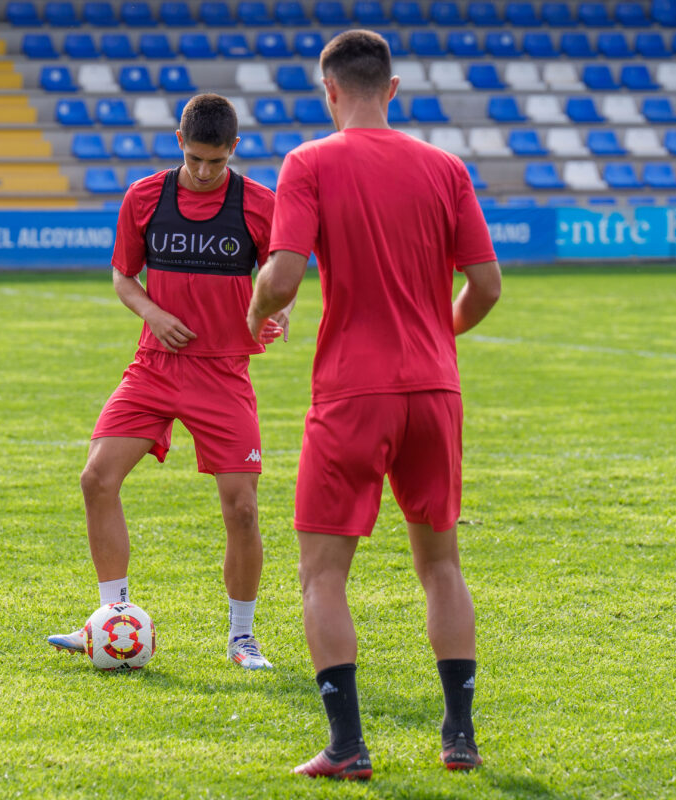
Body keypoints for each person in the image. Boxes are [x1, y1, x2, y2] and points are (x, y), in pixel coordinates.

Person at [247, 30, 502, 778]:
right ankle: (459, 737)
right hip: (434, 389)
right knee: (441, 565)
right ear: (392, 90)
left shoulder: (309, 162)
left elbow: (285, 277)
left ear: (329, 90)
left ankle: (348, 746)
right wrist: (436, 334)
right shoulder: (445, 167)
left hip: (353, 391)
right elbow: (486, 287)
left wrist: (253, 313)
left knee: (323, 575)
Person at [48, 94, 289, 670]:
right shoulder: (145, 197)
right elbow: (123, 276)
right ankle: (114, 619)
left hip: (223, 373)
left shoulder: (260, 204)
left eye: (216, 161)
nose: (204, 172)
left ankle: (242, 637)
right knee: (96, 478)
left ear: (234, 149)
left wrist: (275, 312)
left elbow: (281, 276)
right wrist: (152, 313)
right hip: (154, 365)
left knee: (243, 509)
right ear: (179, 143)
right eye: (195, 158)